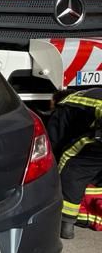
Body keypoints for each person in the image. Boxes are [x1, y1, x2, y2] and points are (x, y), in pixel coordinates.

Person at [48, 88, 102, 239]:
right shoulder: (87, 98)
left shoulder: (64, 106)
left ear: (55, 101)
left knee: (72, 164)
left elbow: (54, 143)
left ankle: (65, 223)